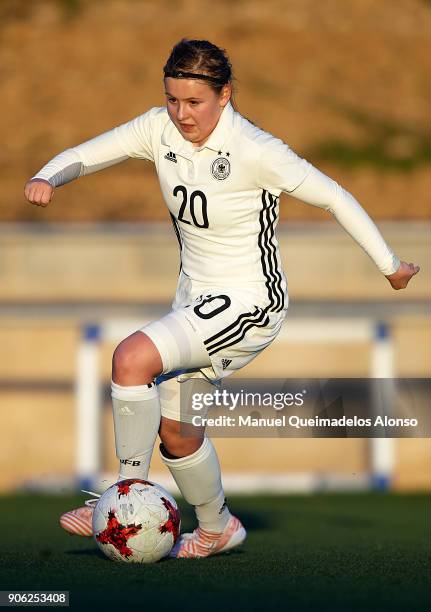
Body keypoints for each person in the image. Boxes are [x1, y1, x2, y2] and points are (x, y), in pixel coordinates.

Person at [24, 39, 419, 559]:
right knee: (178, 432)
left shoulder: (258, 150)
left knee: (130, 358)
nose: (181, 114)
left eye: (195, 103)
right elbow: (85, 155)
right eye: (172, 100)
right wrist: (46, 175)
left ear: (225, 95)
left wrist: (390, 266)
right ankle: (217, 527)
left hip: (249, 305)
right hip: (194, 300)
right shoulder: (157, 128)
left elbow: (335, 197)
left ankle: (122, 499)